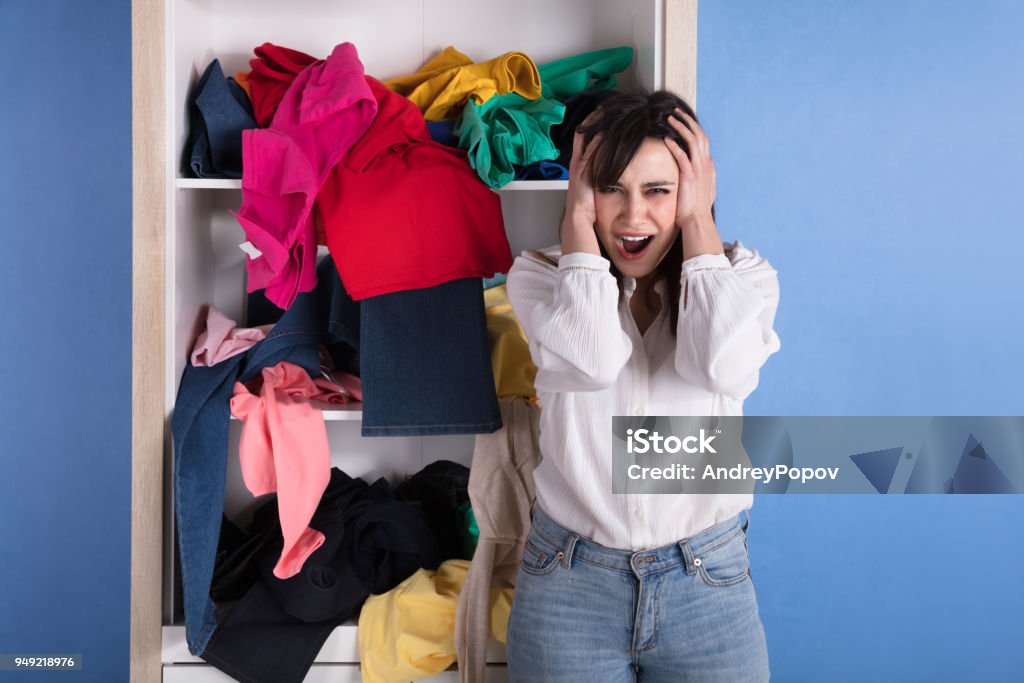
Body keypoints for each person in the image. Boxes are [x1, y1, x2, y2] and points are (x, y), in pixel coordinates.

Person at [504, 90, 780, 682]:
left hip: (707, 582)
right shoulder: (540, 276)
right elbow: (591, 364)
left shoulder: (746, 277)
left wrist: (697, 224)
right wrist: (575, 224)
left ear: (694, 191)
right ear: (583, 192)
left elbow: (722, 369)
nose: (633, 217)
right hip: (568, 583)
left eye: (658, 191)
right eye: (610, 190)